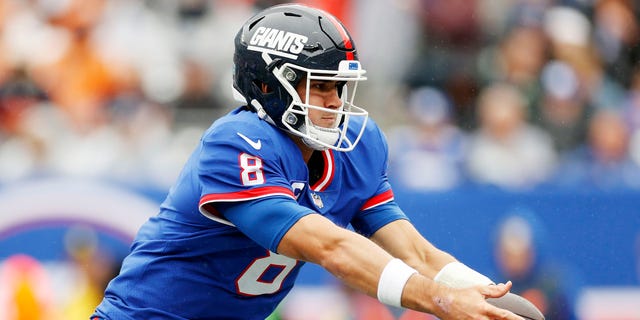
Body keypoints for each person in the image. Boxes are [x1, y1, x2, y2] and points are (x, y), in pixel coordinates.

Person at [91, 4, 527, 320]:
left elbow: (416, 252)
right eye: (319, 88)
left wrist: (479, 293)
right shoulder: (236, 144)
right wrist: (441, 302)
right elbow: (331, 247)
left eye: (338, 88)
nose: (335, 104)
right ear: (267, 85)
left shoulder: (354, 146)